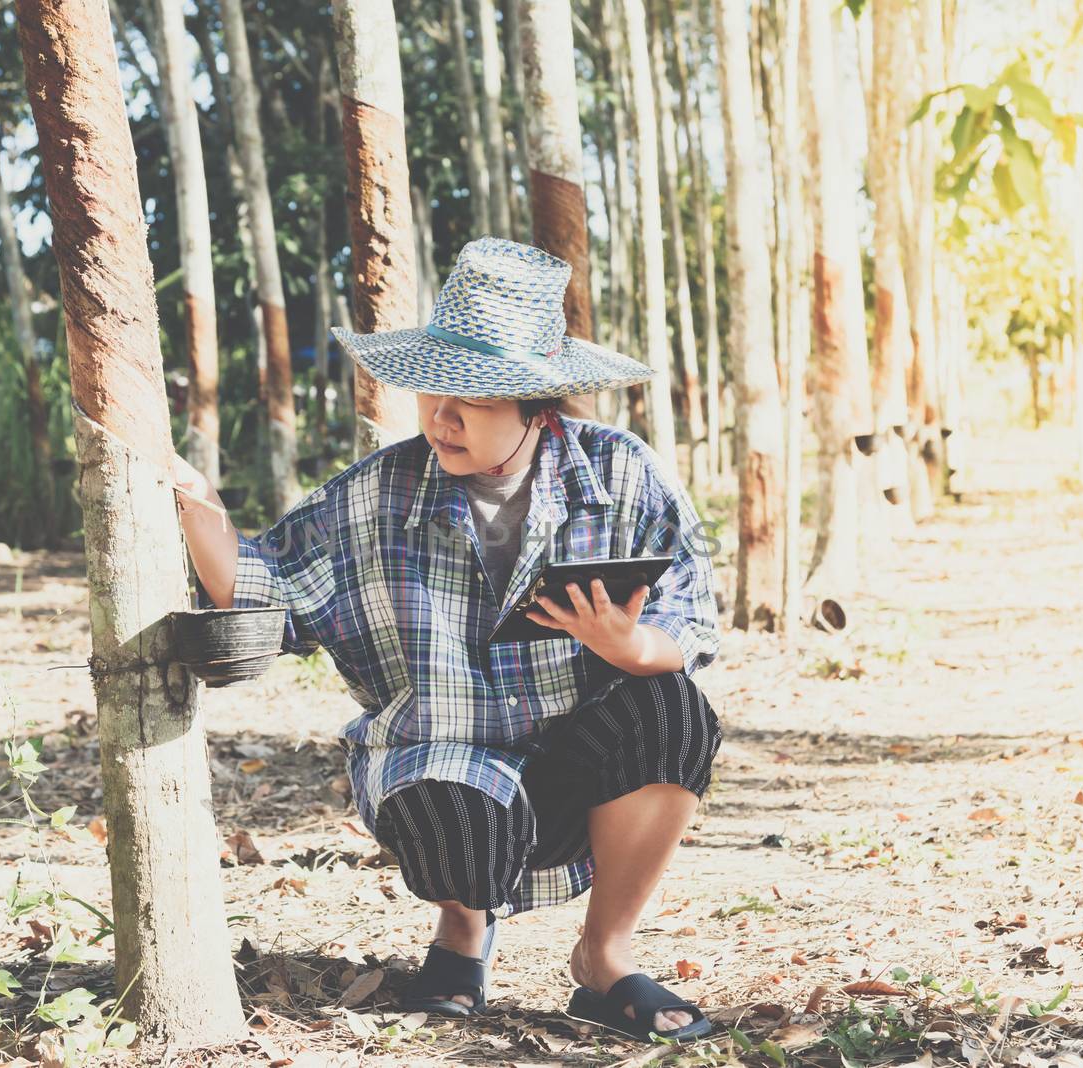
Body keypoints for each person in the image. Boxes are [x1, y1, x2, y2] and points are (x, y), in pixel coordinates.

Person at [172, 237, 723, 1042]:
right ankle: (462, 934)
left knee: (673, 709)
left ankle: (604, 958)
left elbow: (691, 617)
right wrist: (196, 501)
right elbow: (263, 584)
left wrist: (629, 648)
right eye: (435, 391)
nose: (441, 416)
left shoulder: (623, 474)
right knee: (455, 810)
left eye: (475, 397)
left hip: (580, 767)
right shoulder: (379, 490)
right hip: (443, 763)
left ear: (538, 406)